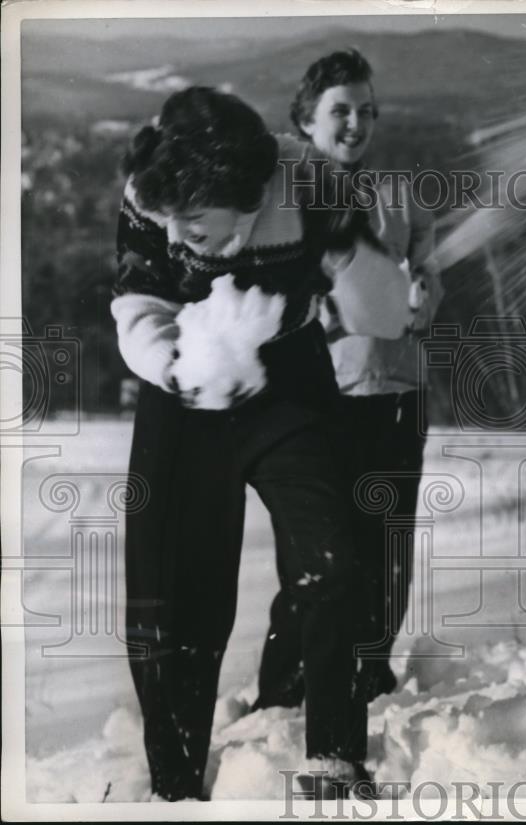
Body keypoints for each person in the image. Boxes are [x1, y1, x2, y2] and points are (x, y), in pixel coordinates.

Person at [112, 86, 373, 800]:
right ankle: (174, 782)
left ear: (248, 194)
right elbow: (138, 300)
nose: (181, 235)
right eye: (172, 222)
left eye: (195, 225)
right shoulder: (150, 191)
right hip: (184, 382)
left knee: (333, 561)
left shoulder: (308, 185)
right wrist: (173, 365)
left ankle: (334, 759)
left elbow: (365, 284)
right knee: (171, 593)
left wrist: (370, 278)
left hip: (287, 377)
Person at [254, 49, 443, 713]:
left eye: (367, 110)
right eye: (341, 111)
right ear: (306, 120)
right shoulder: (285, 198)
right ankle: (282, 695)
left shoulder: (400, 194)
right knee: (317, 556)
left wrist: (422, 295)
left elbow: (430, 281)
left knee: (385, 551)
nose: (357, 123)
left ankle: (367, 682)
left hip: (396, 397)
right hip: (317, 402)